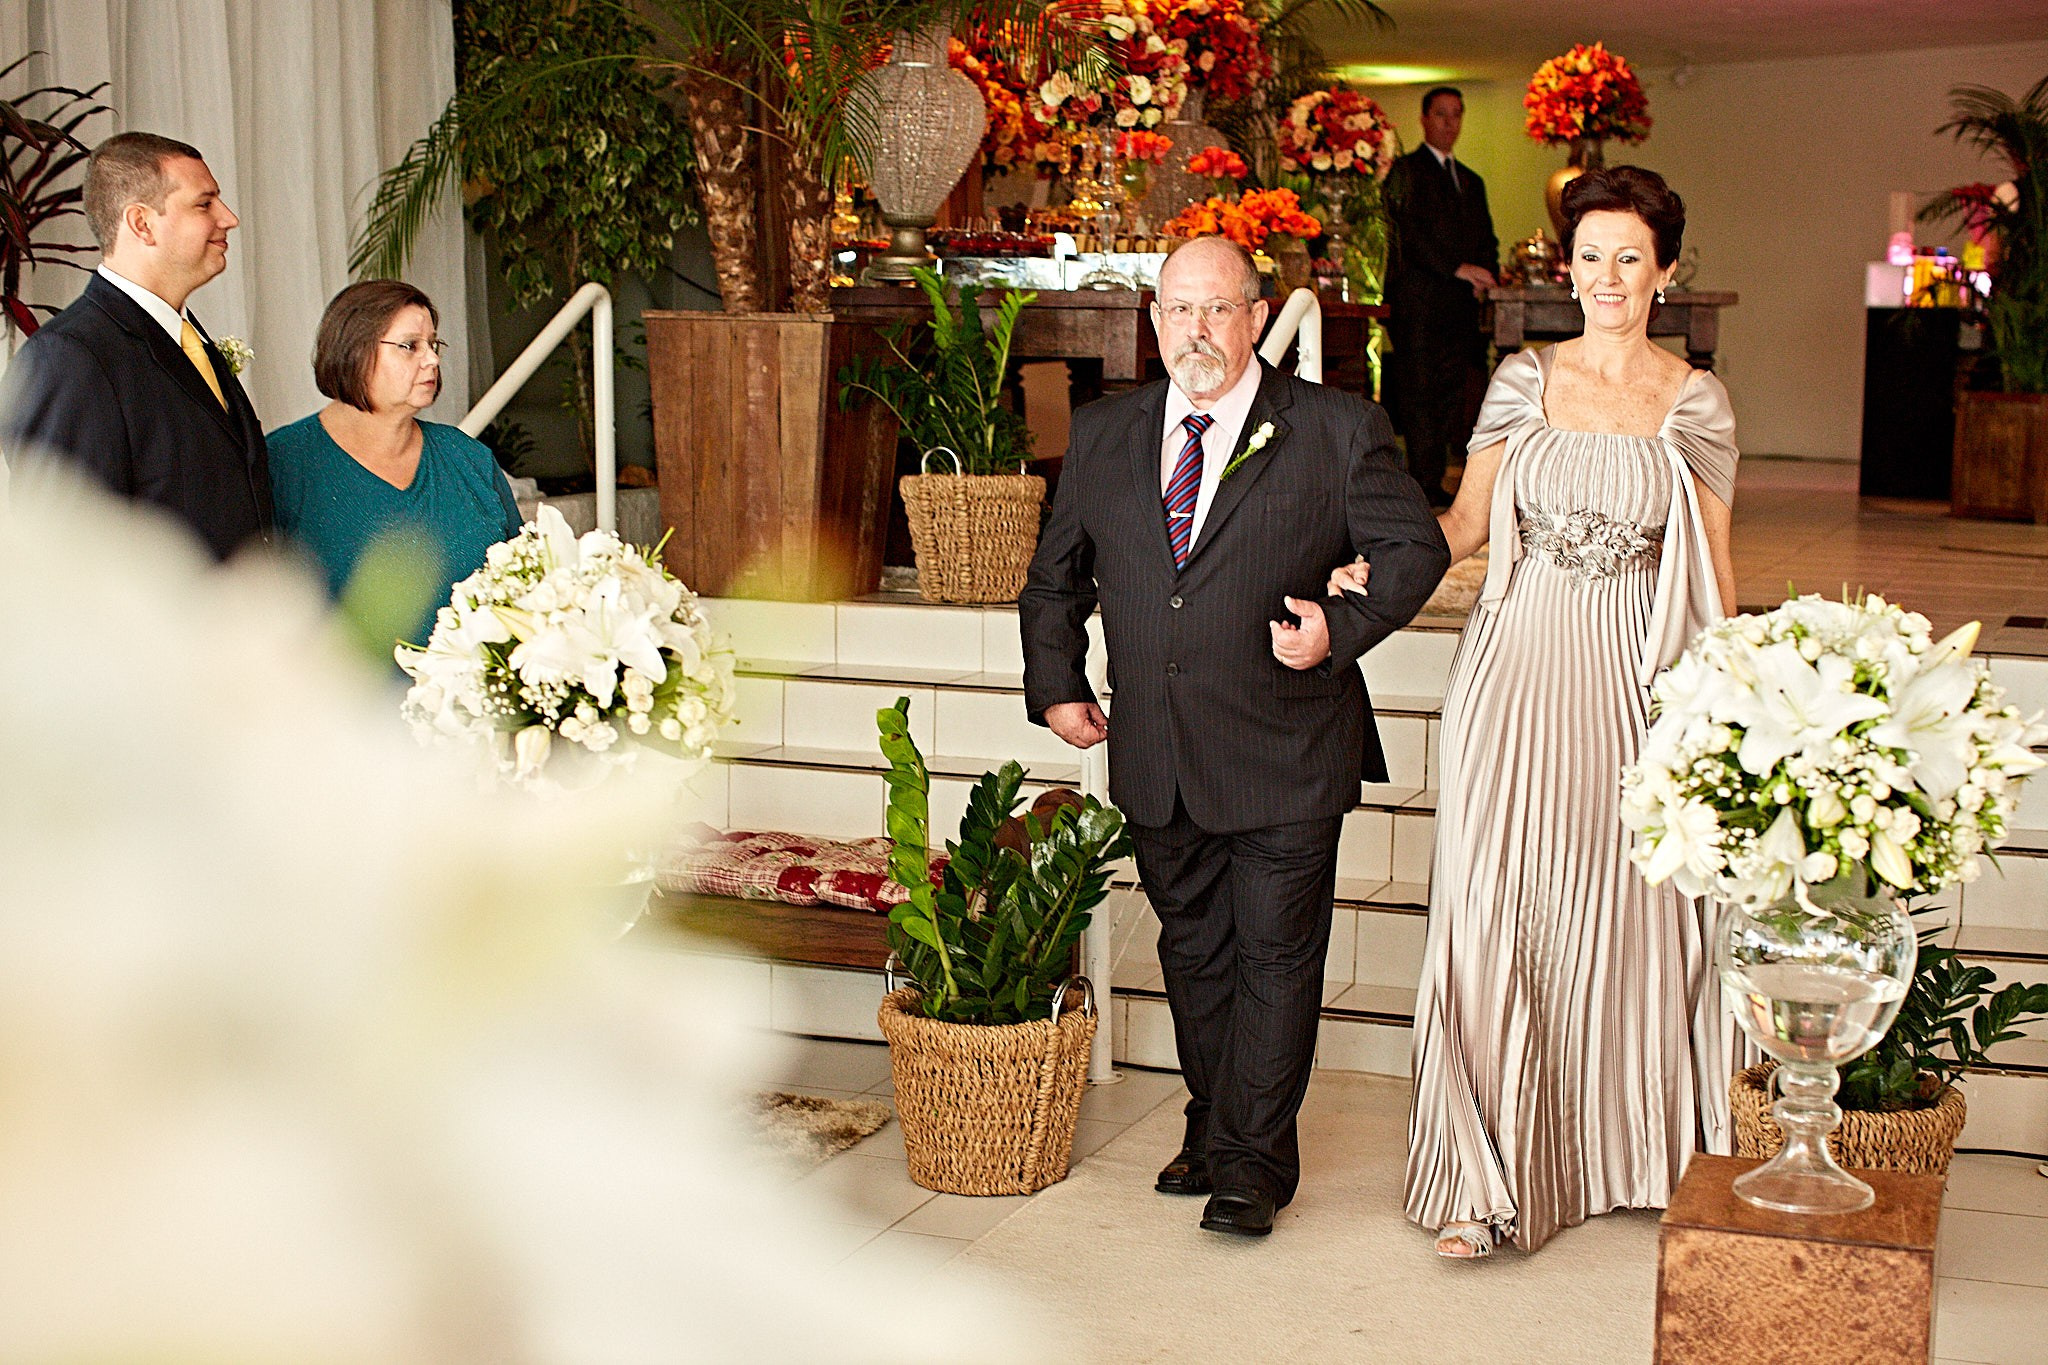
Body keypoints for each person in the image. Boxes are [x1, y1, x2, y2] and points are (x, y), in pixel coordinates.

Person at [1334, 167, 1740, 1258]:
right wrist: (1360, 566)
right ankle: (1480, 1174)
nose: (1604, 278)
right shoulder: (1520, 379)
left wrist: (1719, 712)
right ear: (1564, 268)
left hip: (1631, 681)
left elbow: (1716, 574)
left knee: (1624, 918)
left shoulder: (1693, 401)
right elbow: (1463, 526)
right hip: (1513, 673)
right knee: (1496, 909)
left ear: (1662, 272)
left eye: (1627, 258)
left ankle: (1621, 1152)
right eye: (1588, 256)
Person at [1020, 235, 1449, 1239]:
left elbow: (1412, 547)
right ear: (1153, 319)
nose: (1196, 330)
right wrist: (1054, 684)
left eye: (1218, 309)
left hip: (1287, 747)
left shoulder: (1333, 429)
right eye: (1177, 310)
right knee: (1195, 952)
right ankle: (1214, 1122)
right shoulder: (1106, 433)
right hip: (1157, 753)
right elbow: (1056, 576)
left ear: (1256, 319)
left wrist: (1337, 632)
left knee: (1273, 955)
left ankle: (1252, 1164)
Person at [0, 131, 270, 559]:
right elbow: (63, 557)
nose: (229, 217)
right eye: (205, 204)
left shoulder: (185, 336)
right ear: (141, 223)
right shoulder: (71, 358)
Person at [267, 280, 520, 647]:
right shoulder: (284, 464)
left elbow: (527, 585)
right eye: (409, 346)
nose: (432, 359)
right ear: (353, 350)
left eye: (433, 345)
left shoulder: (469, 458)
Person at [1383, 87, 1498, 509]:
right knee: (1420, 391)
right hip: (1420, 305)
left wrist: (1490, 275)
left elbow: (1486, 238)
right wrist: (1456, 269)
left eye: (1456, 115)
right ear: (1425, 119)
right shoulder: (1404, 171)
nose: (1450, 124)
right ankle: (1420, 480)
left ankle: (1437, 477)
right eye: (1442, 115)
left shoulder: (1470, 180)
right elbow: (1408, 235)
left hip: (1460, 308)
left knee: (1454, 392)